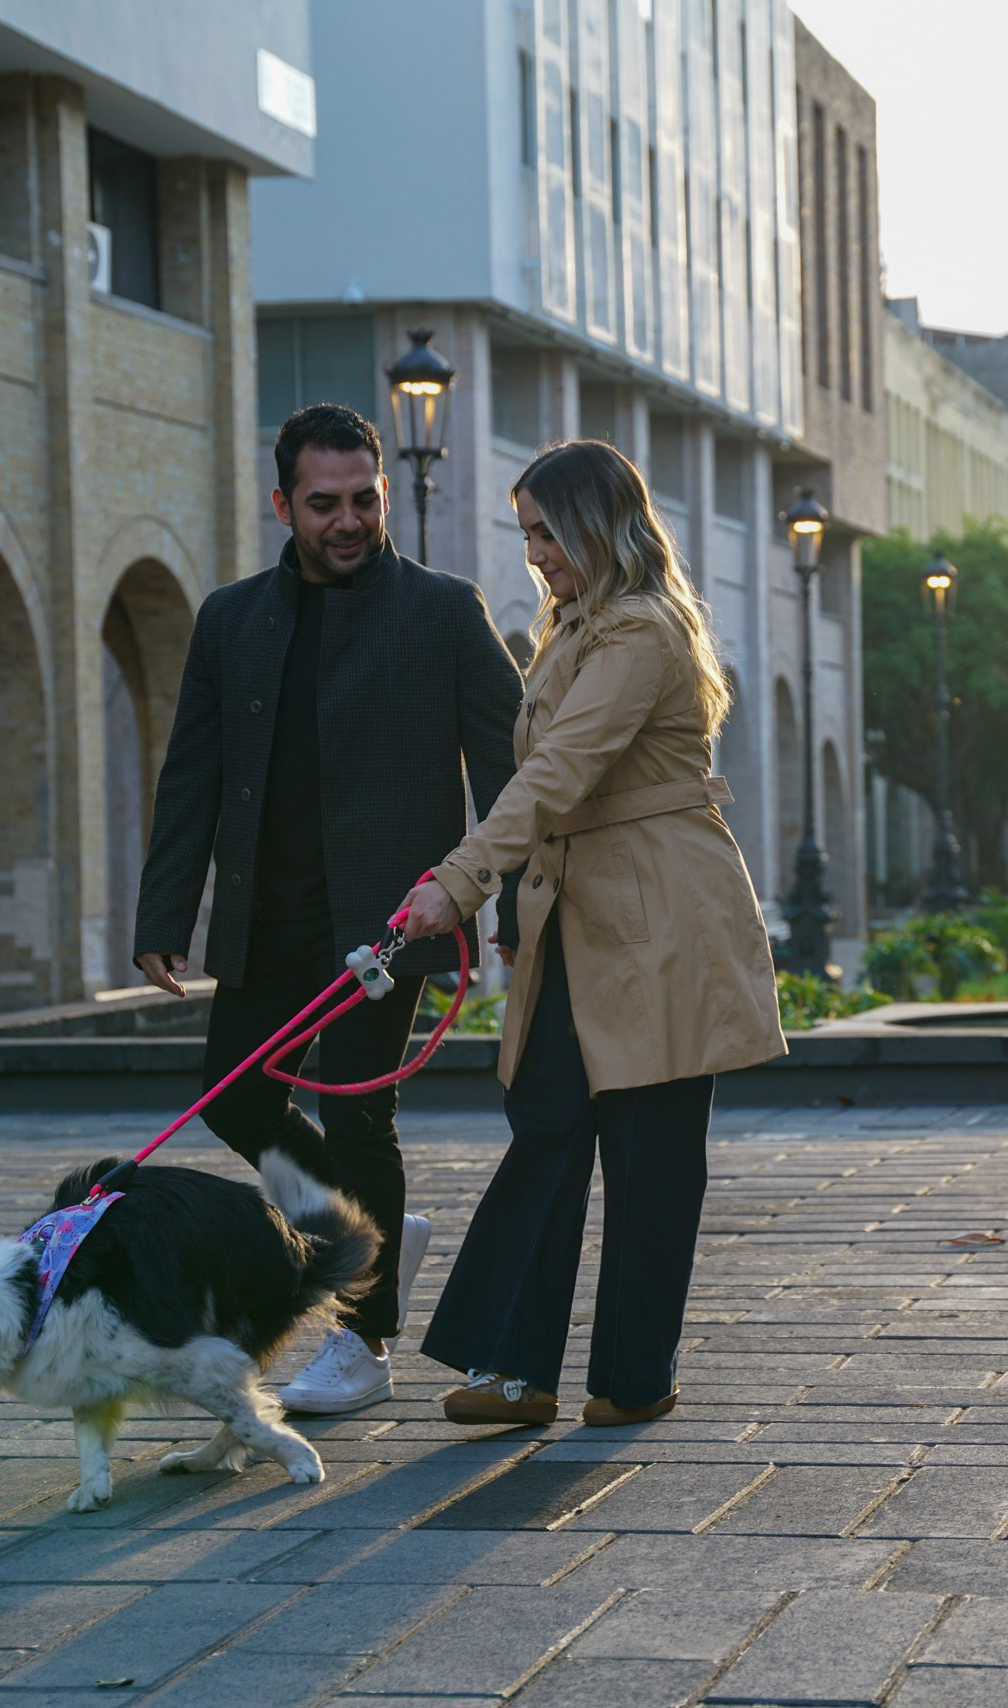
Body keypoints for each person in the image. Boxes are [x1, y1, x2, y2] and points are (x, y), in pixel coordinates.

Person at [131, 403, 523, 1415]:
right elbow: (193, 776)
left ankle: (365, 1335)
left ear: (383, 491)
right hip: (269, 913)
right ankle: (365, 1234)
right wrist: (163, 910)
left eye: (364, 500)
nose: (347, 521)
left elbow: (511, 772)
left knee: (356, 1114)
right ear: (283, 504)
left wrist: (512, 907)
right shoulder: (230, 618)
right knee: (233, 1097)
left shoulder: (443, 610)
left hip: (389, 920)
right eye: (323, 504)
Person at [392, 438, 784, 1429]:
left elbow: (558, 770)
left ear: (597, 526)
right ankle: (516, 1367)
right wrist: (509, 899)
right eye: (524, 533)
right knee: (547, 1131)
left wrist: (461, 881)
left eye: (547, 532)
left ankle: (632, 1376)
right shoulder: (576, 629)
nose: (535, 554)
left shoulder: (641, 634)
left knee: (651, 1155)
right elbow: (550, 781)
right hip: (581, 912)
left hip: (660, 917)